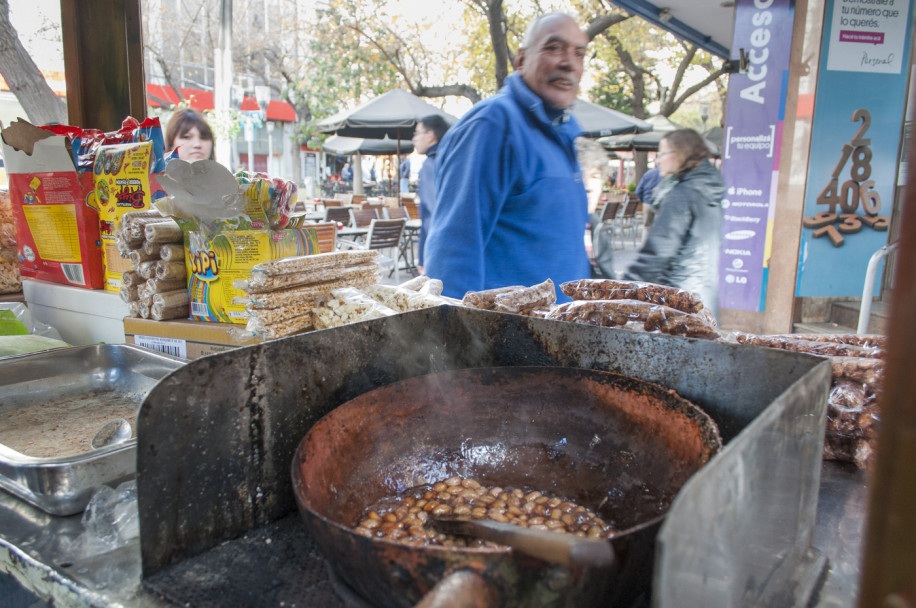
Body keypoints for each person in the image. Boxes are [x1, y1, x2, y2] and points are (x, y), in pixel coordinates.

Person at [424, 13, 591, 299]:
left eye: (579, 53)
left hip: (561, 334)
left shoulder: (564, 131)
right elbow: (451, 254)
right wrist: (457, 339)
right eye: (554, 48)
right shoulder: (492, 125)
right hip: (509, 338)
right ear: (521, 60)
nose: (569, 62)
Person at [623, 128, 725, 318]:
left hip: (678, 300)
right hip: (703, 297)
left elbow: (657, 253)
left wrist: (623, 289)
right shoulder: (708, 190)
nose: (658, 160)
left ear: (679, 154)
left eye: (661, 153)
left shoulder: (681, 195)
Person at [412, 114, 451, 275]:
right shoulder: (450, 159)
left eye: (417, 133)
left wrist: (423, 257)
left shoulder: (431, 163)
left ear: (431, 135)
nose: (414, 139)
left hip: (439, 252)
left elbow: (431, 214)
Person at [576, 137, 614, 279]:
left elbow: (608, 279)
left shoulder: (594, 226)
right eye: (581, 176)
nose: (588, 186)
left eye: (594, 176)